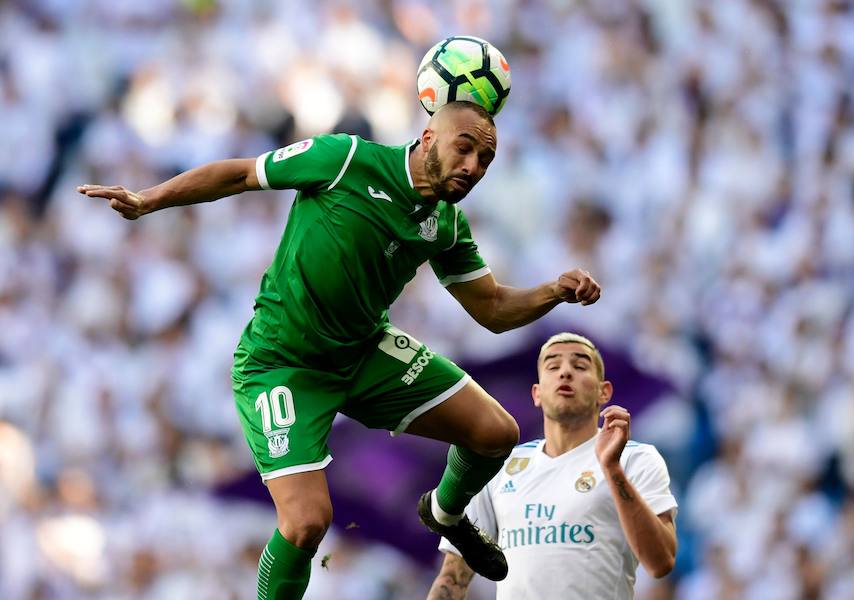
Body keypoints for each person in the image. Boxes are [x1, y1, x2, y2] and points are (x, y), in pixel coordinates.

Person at [77, 101, 602, 599]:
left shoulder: (445, 224)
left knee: (497, 433)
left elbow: (491, 309)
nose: (474, 166)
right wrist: (149, 199)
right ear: (427, 138)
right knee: (306, 523)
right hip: (283, 364)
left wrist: (553, 291)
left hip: (363, 352)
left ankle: (444, 514)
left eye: (485, 158)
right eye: (465, 148)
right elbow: (240, 174)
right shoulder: (345, 159)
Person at [427, 332, 678, 600]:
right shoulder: (499, 467)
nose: (565, 373)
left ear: (603, 391)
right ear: (537, 393)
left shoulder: (635, 459)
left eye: (580, 366)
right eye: (553, 366)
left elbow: (660, 562)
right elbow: (453, 579)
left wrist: (612, 470)